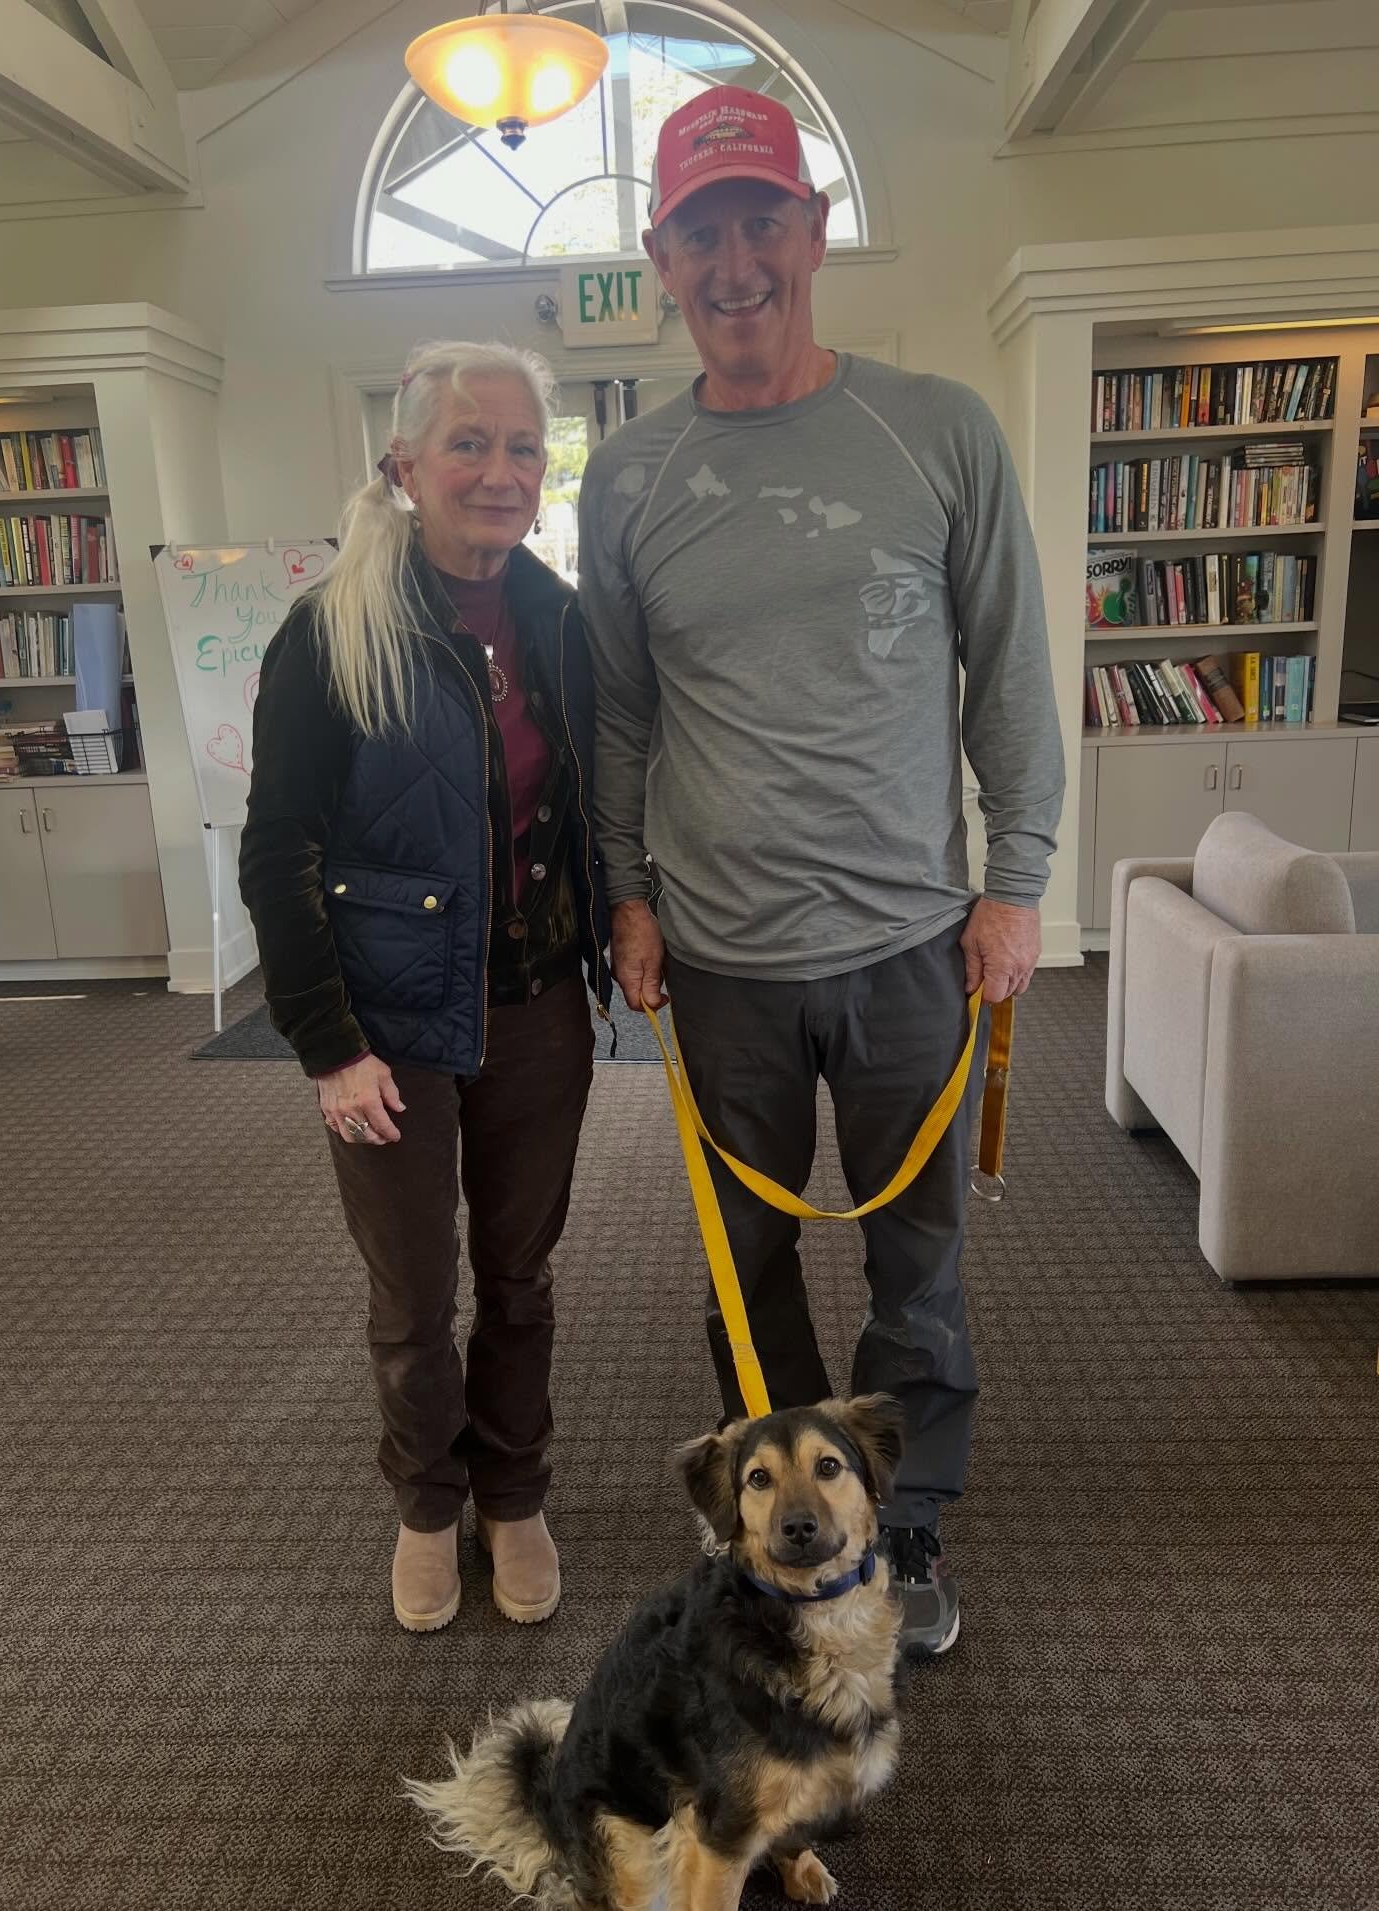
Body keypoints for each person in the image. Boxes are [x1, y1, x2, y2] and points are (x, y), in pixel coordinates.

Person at [578, 87, 1064, 1658]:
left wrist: (1020, 879)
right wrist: (627, 896)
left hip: (914, 943)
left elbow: (1009, 676)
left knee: (917, 1260)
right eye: (699, 231)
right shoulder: (630, 477)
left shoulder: (936, 431)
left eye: (760, 221)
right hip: (720, 958)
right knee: (749, 1265)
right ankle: (787, 1525)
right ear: (662, 255)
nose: (733, 262)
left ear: (813, 232)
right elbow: (621, 712)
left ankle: (905, 1523)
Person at [239, 340, 610, 1636]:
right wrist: (328, 1045)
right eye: (469, 443)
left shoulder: (561, 619)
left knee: (521, 1277)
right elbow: (275, 850)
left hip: (536, 1012)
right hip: (386, 1031)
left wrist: (625, 930)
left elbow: (594, 803)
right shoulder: (330, 630)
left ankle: (513, 1491)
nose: (499, 472)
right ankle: (426, 1503)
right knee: (412, 1295)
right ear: (404, 465)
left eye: (522, 447)